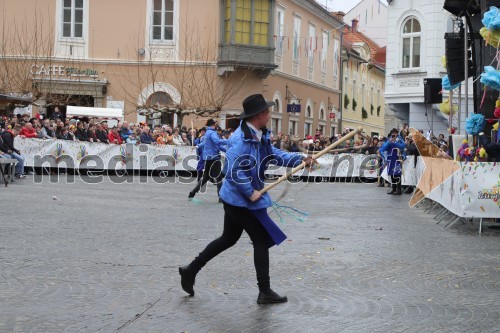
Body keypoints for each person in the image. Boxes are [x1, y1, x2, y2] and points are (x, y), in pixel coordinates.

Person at [179, 94, 316, 304]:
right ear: (259, 115)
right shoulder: (239, 140)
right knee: (261, 239)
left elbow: (274, 155)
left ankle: (191, 270)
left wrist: (300, 158)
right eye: (268, 112)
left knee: (228, 238)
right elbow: (232, 170)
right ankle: (265, 291)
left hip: (242, 199)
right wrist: (249, 191)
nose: (270, 115)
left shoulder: (260, 134)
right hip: (238, 199)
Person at [188, 118, 227, 200]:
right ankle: (221, 197)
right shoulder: (213, 133)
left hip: (207, 158)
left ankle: (193, 192)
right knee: (219, 177)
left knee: (206, 176)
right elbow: (217, 142)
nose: (216, 125)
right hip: (214, 157)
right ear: (213, 124)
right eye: (215, 124)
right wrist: (229, 141)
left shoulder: (207, 133)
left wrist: (197, 146)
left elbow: (205, 143)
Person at [379, 128, 406, 195]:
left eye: (395, 133)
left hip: (397, 159)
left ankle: (399, 189)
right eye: (393, 133)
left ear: (397, 134)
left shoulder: (399, 139)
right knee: (392, 174)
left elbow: (403, 146)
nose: (394, 135)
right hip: (391, 160)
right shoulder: (389, 139)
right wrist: (389, 141)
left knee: (397, 174)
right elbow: (384, 148)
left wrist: (396, 142)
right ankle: (394, 189)